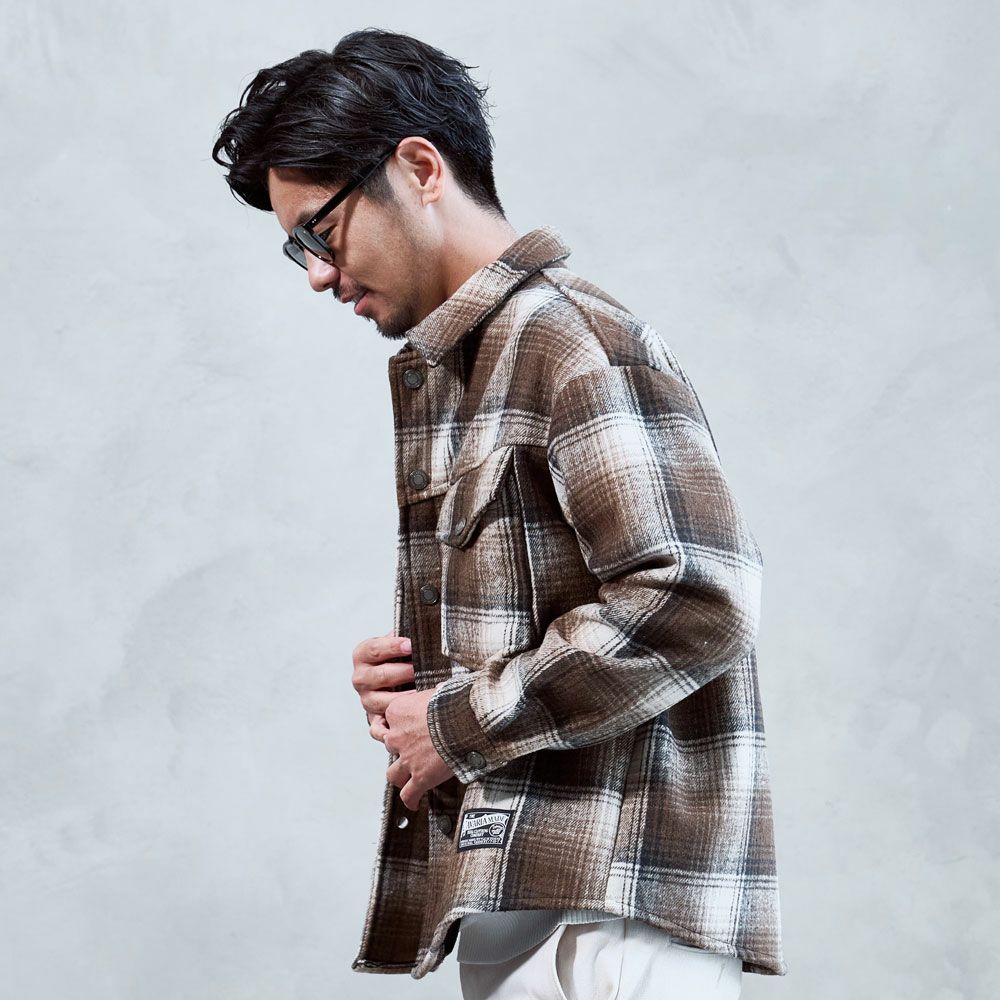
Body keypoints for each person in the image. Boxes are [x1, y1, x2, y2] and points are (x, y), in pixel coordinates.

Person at [211, 27, 787, 999]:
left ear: (419, 168)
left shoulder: (571, 343)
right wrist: (420, 685)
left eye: (320, 231)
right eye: (295, 249)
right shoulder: (467, 373)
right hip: (531, 907)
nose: (316, 273)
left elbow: (697, 597)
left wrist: (455, 721)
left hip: (613, 923)